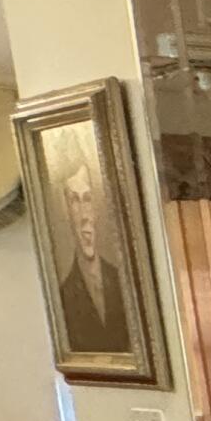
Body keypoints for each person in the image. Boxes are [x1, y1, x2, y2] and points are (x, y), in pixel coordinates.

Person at [49, 139, 129, 356]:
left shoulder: (124, 282)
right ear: (66, 212)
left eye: (87, 199)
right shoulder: (63, 294)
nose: (84, 216)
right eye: (75, 201)